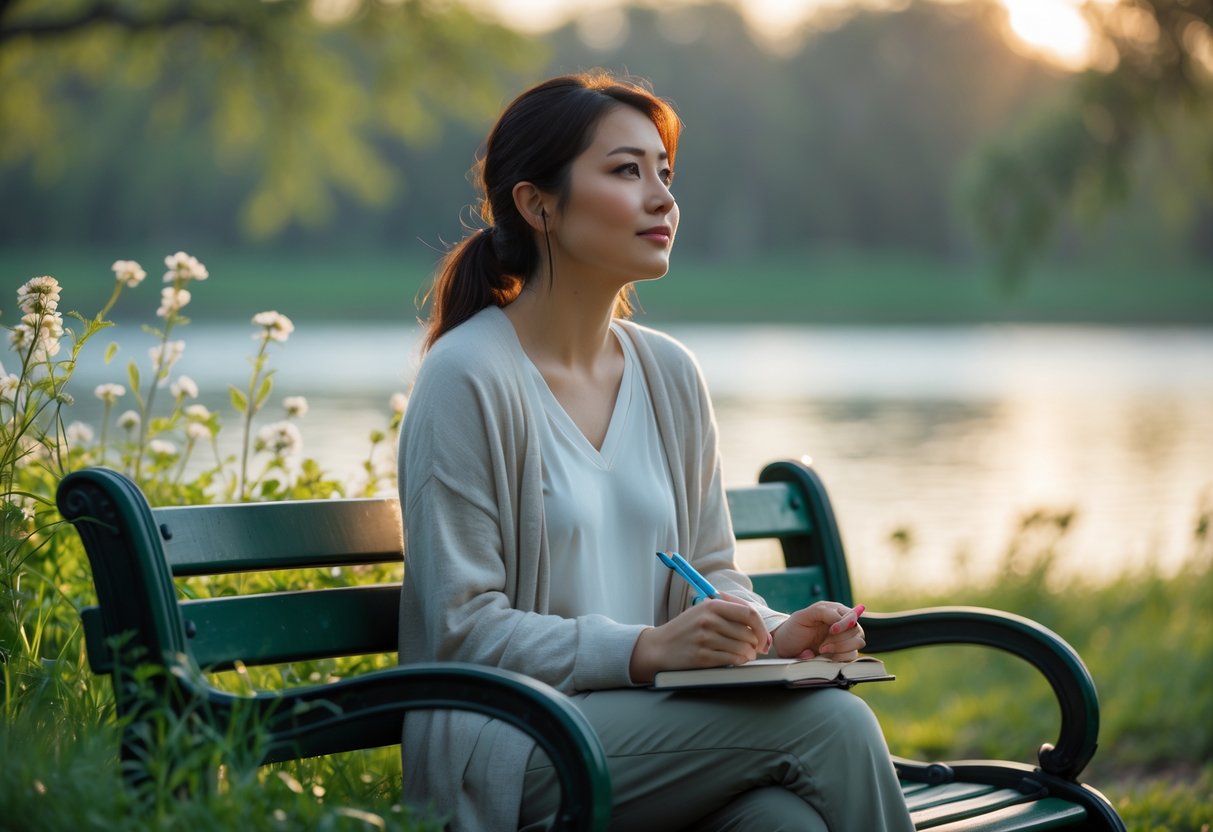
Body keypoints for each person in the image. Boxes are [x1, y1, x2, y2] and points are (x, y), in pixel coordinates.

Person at [397, 72, 914, 832]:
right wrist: (640, 651)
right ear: (537, 204)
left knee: (781, 824)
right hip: (515, 742)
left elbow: (708, 572)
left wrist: (770, 631)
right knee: (829, 726)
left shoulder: (669, 374)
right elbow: (463, 630)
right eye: (624, 171)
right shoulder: (466, 378)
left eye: (663, 173)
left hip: (653, 729)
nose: (662, 197)